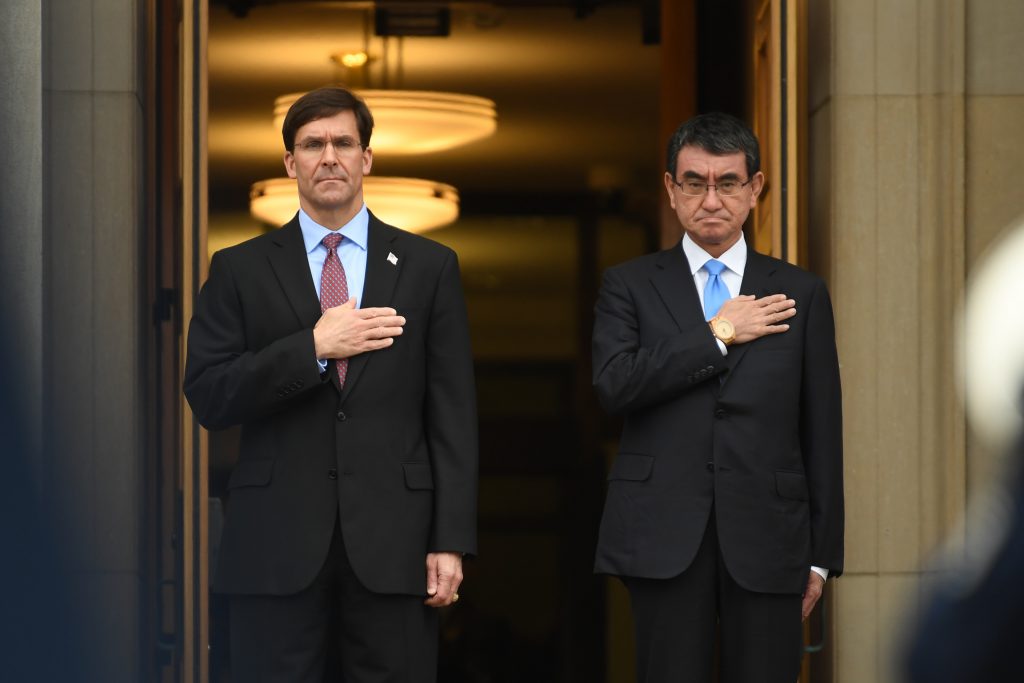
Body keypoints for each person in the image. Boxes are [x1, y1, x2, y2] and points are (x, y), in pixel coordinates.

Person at [184, 86, 478, 683]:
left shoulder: (429, 266)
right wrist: (311, 348)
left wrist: (450, 540)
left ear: (367, 158)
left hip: (396, 542)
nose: (329, 157)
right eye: (312, 144)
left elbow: (453, 415)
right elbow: (209, 393)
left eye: (343, 142)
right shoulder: (239, 268)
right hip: (275, 544)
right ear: (290, 163)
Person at [591, 112, 844, 682]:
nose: (711, 199)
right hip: (663, 535)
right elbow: (615, 385)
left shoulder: (799, 291)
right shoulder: (628, 285)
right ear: (671, 189)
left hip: (771, 535)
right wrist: (717, 334)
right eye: (695, 182)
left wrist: (822, 555)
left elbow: (821, 426)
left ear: (754, 189)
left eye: (727, 182)